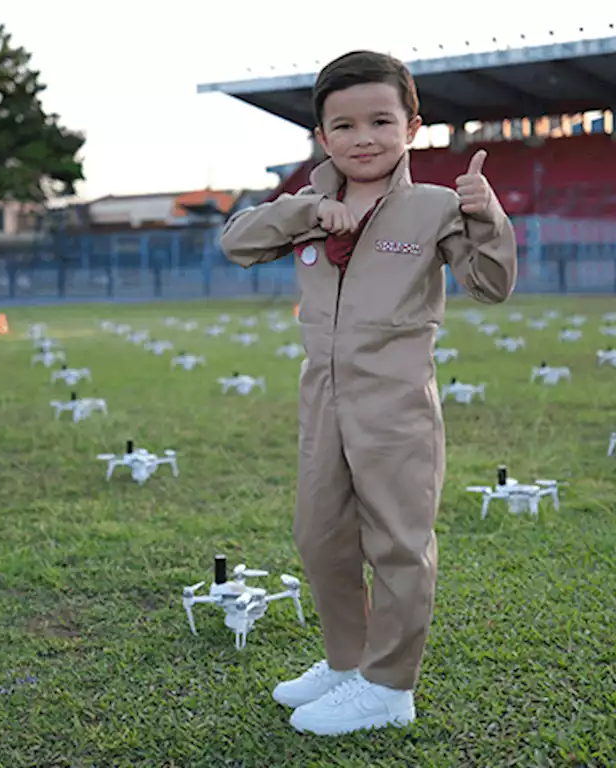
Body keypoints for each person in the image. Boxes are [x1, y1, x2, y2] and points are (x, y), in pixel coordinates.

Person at [219, 50, 518, 736]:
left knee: (397, 545)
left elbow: (492, 284)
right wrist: (309, 211)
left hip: (396, 408)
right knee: (319, 536)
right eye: (345, 125)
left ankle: (389, 688)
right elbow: (236, 241)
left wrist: (488, 217)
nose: (365, 138)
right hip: (322, 402)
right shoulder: (310, 208)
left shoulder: (435, 207)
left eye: (382, 121)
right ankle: (347, 664)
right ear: (322, 138)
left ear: (412, 126)